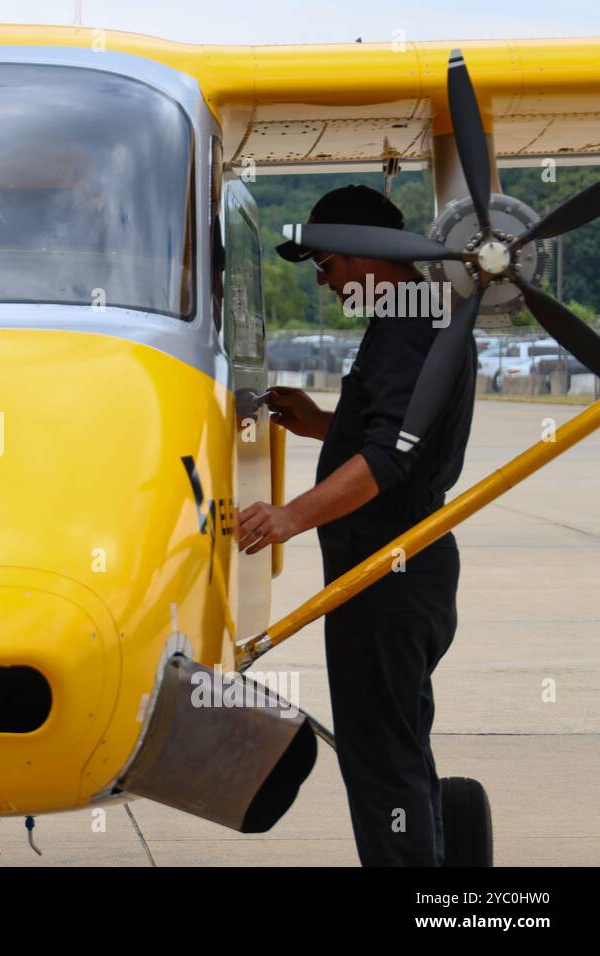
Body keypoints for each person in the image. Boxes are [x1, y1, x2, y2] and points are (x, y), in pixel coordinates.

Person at [237, 185, 476, 866]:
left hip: (388, 570)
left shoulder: (406, 326)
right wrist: (318, 422)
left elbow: (387, 460)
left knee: (380, 761)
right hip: (397, 567)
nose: (325, 280)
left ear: (370, 257)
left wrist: (288, 518)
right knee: (396, 747)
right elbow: (392, 434)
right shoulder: (416, 318)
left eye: (329, 264)